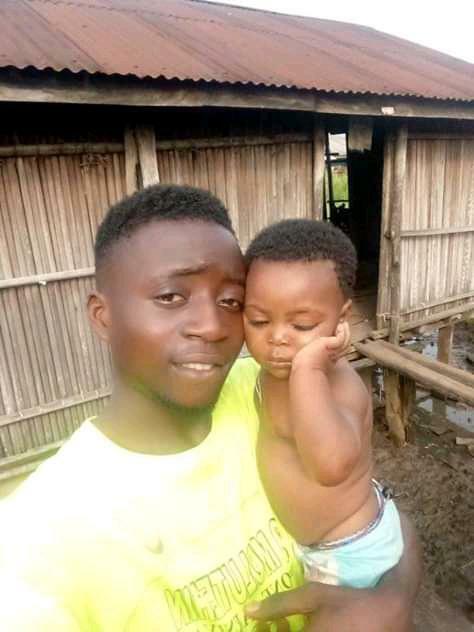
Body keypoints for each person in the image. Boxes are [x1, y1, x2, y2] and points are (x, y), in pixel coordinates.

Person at [0, 185, 420, 630]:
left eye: (230, 302)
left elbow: (378, 516)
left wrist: (389, 599)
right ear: (103, 316)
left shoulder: (267, 387)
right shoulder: (34, 542)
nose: (212, 326)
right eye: (171, 297)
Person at [243, 219, 403, 589]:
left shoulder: (338, 386)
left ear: (341, 318)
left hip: (351, 553)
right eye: (258, 320)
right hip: (312, 549)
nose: (277, 338)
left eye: (301, 326)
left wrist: (309, 369)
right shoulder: (266, 373)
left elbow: (330, 466)